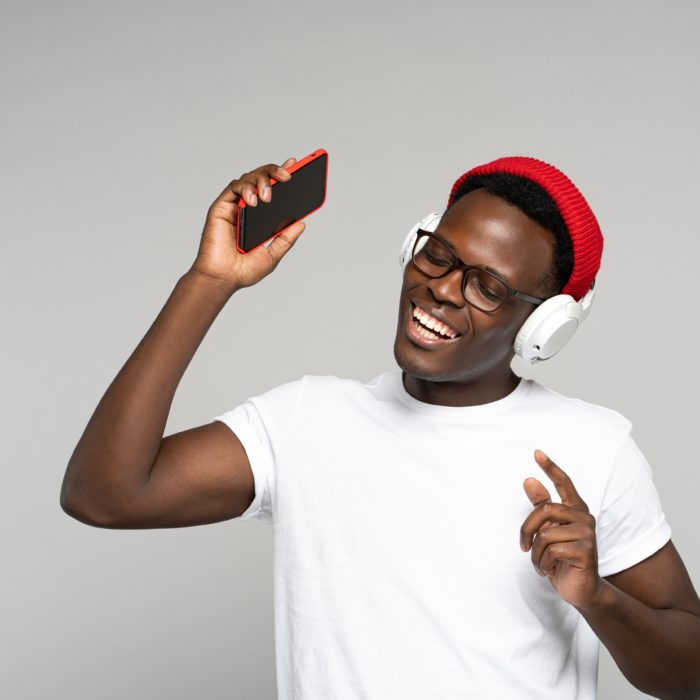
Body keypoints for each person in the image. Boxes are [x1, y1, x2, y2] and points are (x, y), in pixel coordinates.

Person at [60, 155, 700, 699]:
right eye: (440, 255)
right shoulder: (306, 421)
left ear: (543, 327)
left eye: (488, 287)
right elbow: (105, 495)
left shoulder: (592, 446)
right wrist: (209, 280)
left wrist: (599, 599)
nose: (443, 290)